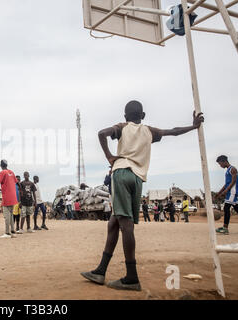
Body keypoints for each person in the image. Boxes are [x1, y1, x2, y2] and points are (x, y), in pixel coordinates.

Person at [80, 100, 204, 291]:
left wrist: (110, 157)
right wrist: (194, 126)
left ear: (125, 116)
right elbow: (173, 131)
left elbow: (102, 133)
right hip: (138, 178)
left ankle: (131, 277)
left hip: (121, 173)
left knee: (125, 224)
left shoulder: (122, 127)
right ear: (143, 115)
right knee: (114, 222)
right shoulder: (149, 131)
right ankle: (100, 271)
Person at [215, 155, 238, 234]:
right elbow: (226, 183)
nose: (220, 166)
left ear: (224, 161)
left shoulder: (233, 169)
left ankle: (225, 228)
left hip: (232, 192)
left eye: (220, 164)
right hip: (230, 192)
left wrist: (226, 191)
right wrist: (219, 192)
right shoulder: (227, 171)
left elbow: (233, 181)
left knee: (226, 208)